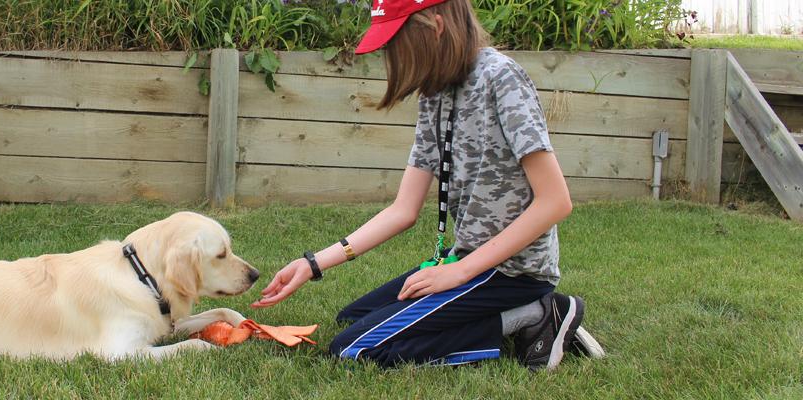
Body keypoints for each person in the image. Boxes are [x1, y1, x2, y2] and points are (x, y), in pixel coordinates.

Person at [250, 0, 603, 370]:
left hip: (514, 272)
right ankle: (505, 315)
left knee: (353, 348)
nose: (397, 59)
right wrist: (313, 264)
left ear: (435, 28)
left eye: (398, 45)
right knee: (351, 321)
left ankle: (534, 314)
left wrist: (458, 272)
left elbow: (555, 202)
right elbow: (403, 210)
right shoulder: (434, 95)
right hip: (469, 259)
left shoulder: (502, 78)